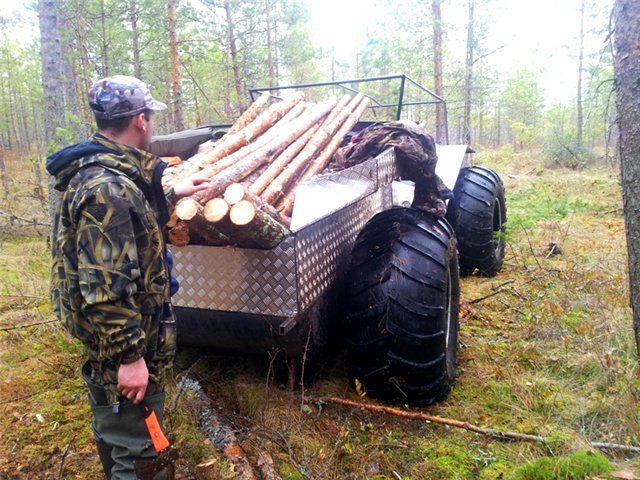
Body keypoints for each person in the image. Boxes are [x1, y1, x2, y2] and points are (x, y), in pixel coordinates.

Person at [46, 75, 209, 479]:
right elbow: (106, 287)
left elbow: (128, 223)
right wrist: (130, 357)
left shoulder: (106, 174)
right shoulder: (108, 191)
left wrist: (170, 192)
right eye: (150, 117)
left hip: (114, 343)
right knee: (141, 453)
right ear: (140, 120)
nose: (151, 124)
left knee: (117, 431)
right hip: (123, 346)